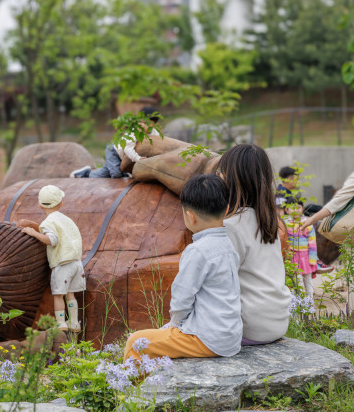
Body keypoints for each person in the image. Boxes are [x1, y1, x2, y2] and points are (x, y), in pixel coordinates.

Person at [124, 174, 241, 361]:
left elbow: (182, 298)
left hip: (206, 339)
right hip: (230, 337)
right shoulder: (228, 245)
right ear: (226, 210)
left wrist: (175, 324)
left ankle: (134, 389)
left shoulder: (197, 251)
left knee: (136, 341)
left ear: (190, 216)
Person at [217, 144, 291, 346]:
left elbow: (219, 284)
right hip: (276, 323)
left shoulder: (230, 226)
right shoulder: (269, 221)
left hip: (249, 328)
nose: (218, 177)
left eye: (220, 172)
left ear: (232, 179)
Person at [21, 185, 85, 332]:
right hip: (76, 263)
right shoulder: (68, 220)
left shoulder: (48, 223)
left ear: (40, 205)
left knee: (58, 295)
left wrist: (34, 233)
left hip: (62, 265)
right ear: (61, 204)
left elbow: (52, 240)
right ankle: (74, 323)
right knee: (71, 294)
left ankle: (61, 323)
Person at [70, 107, 160, 178]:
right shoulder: (135, 131)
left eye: (151, 124)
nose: (147, 126)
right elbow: (127, 148)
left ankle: (87, 173)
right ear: (140, 121)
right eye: (145, 123)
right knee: (116, 174)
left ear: (155, 124)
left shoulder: (155, 134)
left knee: (104, 173)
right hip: (114, 151)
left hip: (124, 157)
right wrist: (138, 159)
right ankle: (87, 173)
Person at [283, 197, 317, 297]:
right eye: (292, 208)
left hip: (306, 256)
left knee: (308, 280)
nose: (295, 210)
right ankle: (298, 303)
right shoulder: (285, 224)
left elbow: (312, 243)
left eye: (298, 207)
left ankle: (309, 302)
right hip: (292, 256)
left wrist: (312, 259)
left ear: (302, 209)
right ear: (287, 210)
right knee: (296, 280)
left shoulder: (307, 223)